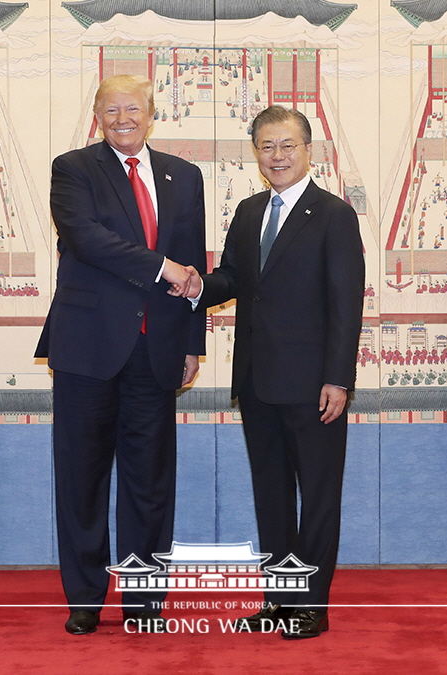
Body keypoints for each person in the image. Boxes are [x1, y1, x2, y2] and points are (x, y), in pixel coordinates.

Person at [175, 106, 365, 639]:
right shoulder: (250, 208)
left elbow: (345, 303)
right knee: (273, 497)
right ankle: (279, 601)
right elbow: (234, 277)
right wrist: (195, 286)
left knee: (319, 498)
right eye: (266, 146)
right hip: (258, 383)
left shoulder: (334, 215)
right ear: (255, 152)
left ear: (309, 151)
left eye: (287, 146)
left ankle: (312, 608)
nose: (276, 156)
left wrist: (338, 378)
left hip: (314, 387)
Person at [35, 74, 207, 636]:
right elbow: (85, 239)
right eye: (111, 109)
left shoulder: (186, 177)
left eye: (133, 108)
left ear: (152, 113)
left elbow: (193, 268)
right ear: (97, 115)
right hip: (87, 348)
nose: (122, 118)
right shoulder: (74, 168)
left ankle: (145, 600)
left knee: (149, 480)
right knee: (81, 476)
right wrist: (162, 269)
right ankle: (84, 597)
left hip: (156, 350)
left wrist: (192, 342)